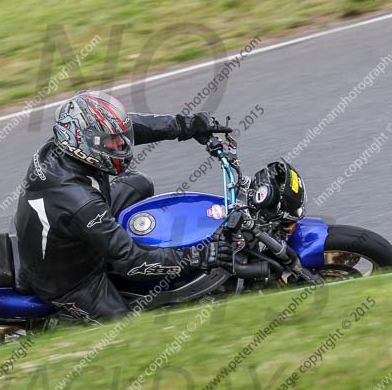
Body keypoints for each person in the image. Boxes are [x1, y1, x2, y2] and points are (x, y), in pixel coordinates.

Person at [14, 90, 233, 322]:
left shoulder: (66, 146)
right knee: (127, 329)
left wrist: (186, 125)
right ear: (84, 142)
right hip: (69, 279)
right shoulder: (78, 199)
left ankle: (113, 239)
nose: (121, 144)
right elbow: (132, 263)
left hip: (76, 229)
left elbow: (133, 127)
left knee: (139, 183)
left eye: (120, 136)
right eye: (112, 141)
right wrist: (197, 257)